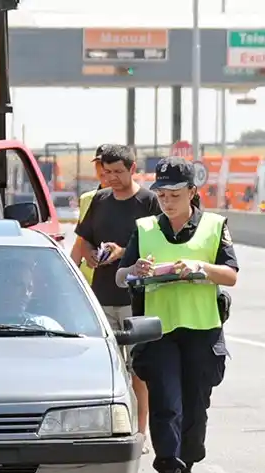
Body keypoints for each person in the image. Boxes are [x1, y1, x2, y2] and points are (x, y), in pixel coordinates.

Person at [115, 156, 239, 473]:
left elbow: (231, 275)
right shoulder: (145, 228)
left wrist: (200, 267)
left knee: (195, 409)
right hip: (159, 332)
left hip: (202, 331)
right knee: (166, 406)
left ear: (192, 193)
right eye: (162, 194)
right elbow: (122, 277)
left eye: (174, 194)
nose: (166, 201)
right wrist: (133, 270)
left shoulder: (215, 226)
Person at [73, 144, 162, 450]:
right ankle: (112, 428)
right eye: (106, 172)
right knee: (107, 366)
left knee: (138, 368)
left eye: (117, 172)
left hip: (135, 298)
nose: (111, 177)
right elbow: (83, 242)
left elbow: (158, 248)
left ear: (132, 168)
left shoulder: (149, 202)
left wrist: (124, 253)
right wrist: (91, 256)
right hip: (101, 297)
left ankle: (141, 431)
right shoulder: (98, 200)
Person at [70, 144, 111, 283]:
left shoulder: (134, 199)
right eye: (99, 164)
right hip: (90, 281)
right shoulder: (87, 199)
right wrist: (70, 277)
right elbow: (80, 242)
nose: (103, 169)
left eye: (108, 164)